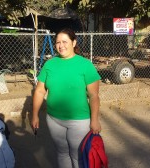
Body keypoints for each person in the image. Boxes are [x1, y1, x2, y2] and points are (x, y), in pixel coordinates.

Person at [31, 28, 102, 168]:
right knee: (62, 152)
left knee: (77, 155)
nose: (61, 45)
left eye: (65, 41)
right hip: (54, 119)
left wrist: (94, 120)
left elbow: (94, 96)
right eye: (58, 42)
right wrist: (35, 115)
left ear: (74, 42)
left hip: (79, 120)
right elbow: (39, 91)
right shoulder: (50, 64)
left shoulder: (85, 65)